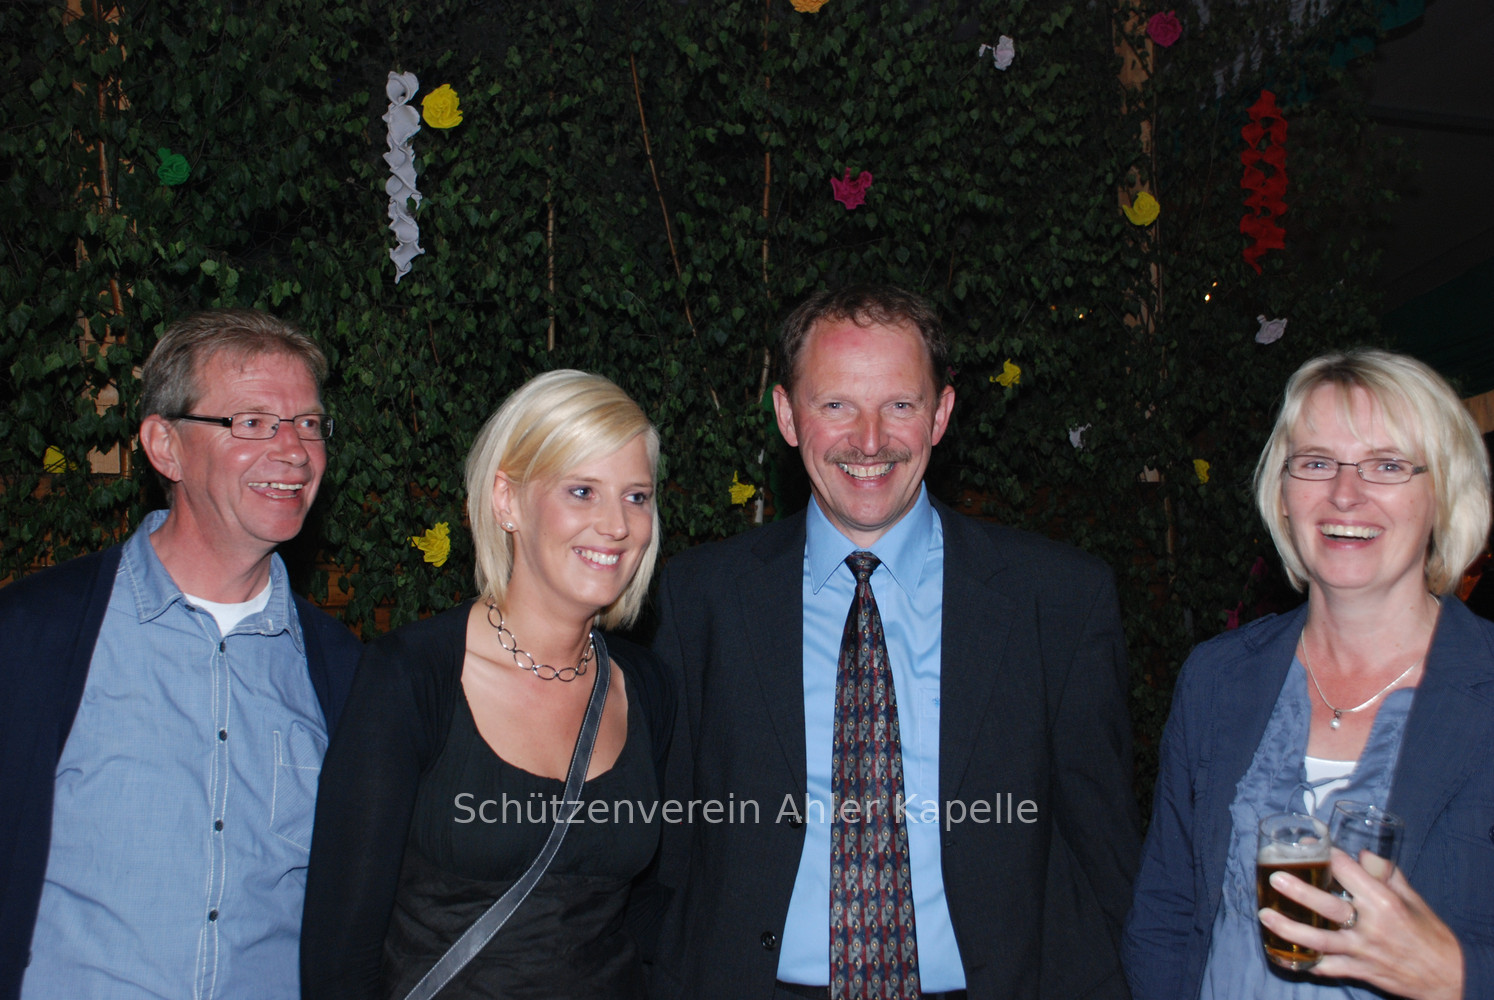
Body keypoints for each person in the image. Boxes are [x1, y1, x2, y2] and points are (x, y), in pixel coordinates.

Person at [650, 285, 1140, 1000]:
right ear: (787, 415)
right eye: (836, 405)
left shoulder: (1059, 601)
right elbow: (667, 852)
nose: (870, 440)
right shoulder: (701, 600)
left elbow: (1104, 853)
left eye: (900, 405)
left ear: (940, 414)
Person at [0, 310, 362, 999]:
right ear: (164, 446)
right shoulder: (35, 638)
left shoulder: (343, 674)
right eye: (252, 422)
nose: (294, 450)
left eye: (309, 423)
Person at [1123, 348, 1494, 1000]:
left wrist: (1457, 976)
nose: (1345, 494)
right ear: (1284, 495)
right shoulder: (1216, 679)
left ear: (1443, 493)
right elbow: (1167, 912)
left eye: (1386, 465)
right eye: (1317, 463)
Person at [301, 369, 674, 999]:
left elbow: (639, 914)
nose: (617, 524)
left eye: (636, 496)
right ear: (507, 500)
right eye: (582, 491)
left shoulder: (644, 686)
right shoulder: (410, 678)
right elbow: (340, 956)